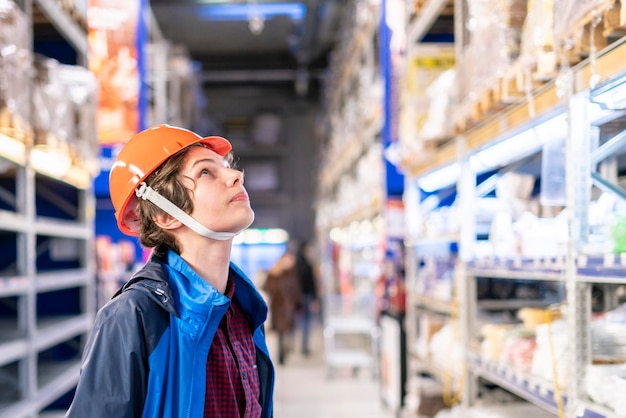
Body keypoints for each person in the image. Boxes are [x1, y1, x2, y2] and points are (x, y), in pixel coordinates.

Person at [65, 124, 274, 417]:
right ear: (165, 214)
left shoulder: (244, 309)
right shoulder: (132, 317)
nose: (236, 175)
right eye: (205, 172)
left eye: (227, 167)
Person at [263, 250, 302, 364]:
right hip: (278, 308)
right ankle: (281, 355)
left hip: (289, 308)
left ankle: (286, 350)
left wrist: (298, 304)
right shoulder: (274, 274)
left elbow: (296, 290)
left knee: (288, 332)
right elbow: (267, 288)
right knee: (281, 332)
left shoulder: (292, 274)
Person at [294, 241, 318, 356]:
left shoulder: (295, 265)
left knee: (297, 322)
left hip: (297, 297)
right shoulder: (307, 265)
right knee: (306, 322)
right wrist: (314, 298)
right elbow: (311, 283)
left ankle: (293, 346)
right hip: (306, 296)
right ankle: (304, 346)